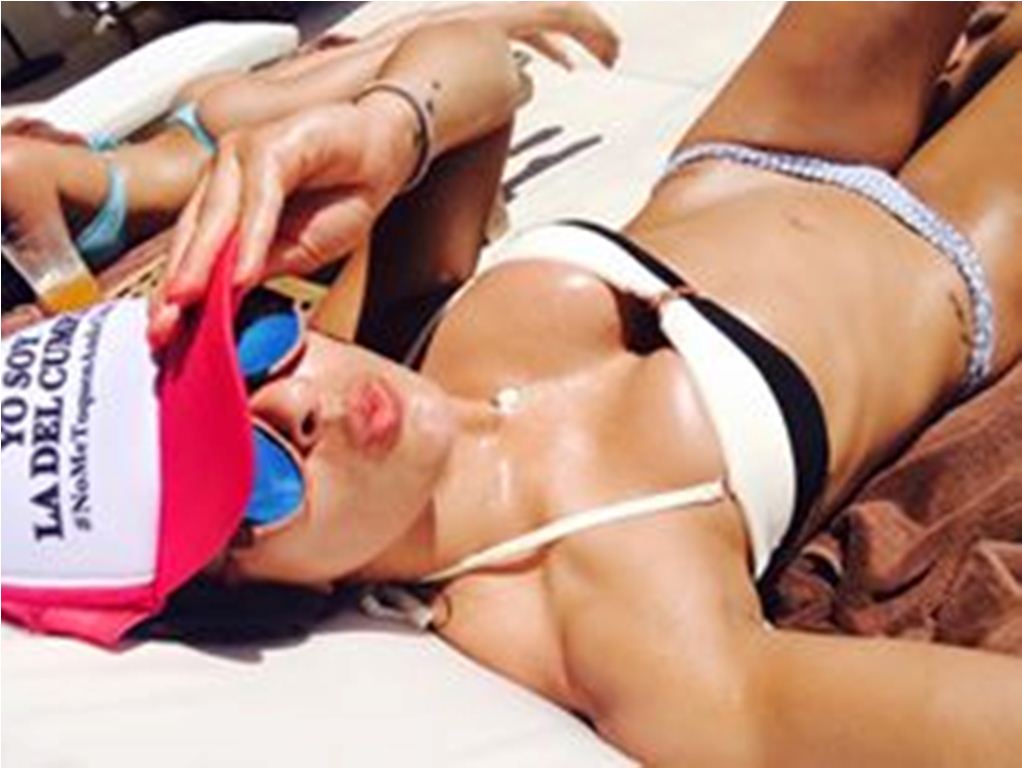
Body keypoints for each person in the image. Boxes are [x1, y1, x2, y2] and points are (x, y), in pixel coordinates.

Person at [3, 4, 1021, 766]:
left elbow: (477, 68)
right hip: (947, 258)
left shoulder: (387, 336)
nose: (297, 401)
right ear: (261, 596)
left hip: (761, 140)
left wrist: (389, 128)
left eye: (245, 349)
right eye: (246, 469)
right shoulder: (603, 622)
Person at [0, 2, 618, 307]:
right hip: (197, 133)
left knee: (397, 53)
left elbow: (73, 305)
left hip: (218, 139)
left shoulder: (9, 173)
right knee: (377, 53)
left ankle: (536, 11)